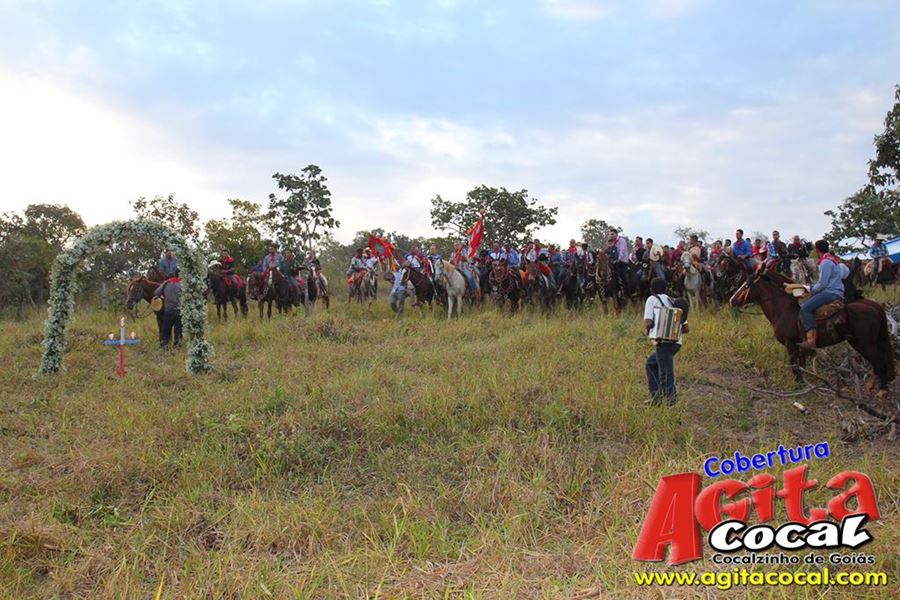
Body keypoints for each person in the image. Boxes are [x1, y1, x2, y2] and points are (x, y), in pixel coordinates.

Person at [643, 277, 688, 405]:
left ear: (652, 289)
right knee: (651, 363)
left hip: (663, 342)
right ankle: (658, 396)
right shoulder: (673, 301)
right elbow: (686, 328)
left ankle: (669, 400)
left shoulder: (652, 299)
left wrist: (649, 330)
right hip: (676, 342)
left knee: (665, 371)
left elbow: (648, 322)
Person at [798, 240, 845, 349]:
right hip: (836, 291)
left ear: (817, 250)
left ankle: (811, 340)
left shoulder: (825, 262)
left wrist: (809, 289)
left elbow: (823, 284)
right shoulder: (833, 260)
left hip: (830, 293)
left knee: (806, 308)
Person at [154, 269, 183, 350]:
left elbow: (156, 293)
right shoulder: (183, 283)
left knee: (166, 331)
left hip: (168, 311)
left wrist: (162, 295)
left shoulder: (166, 283)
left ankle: (164, 347)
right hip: (179, 311)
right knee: (178, 331)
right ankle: (177, 348)